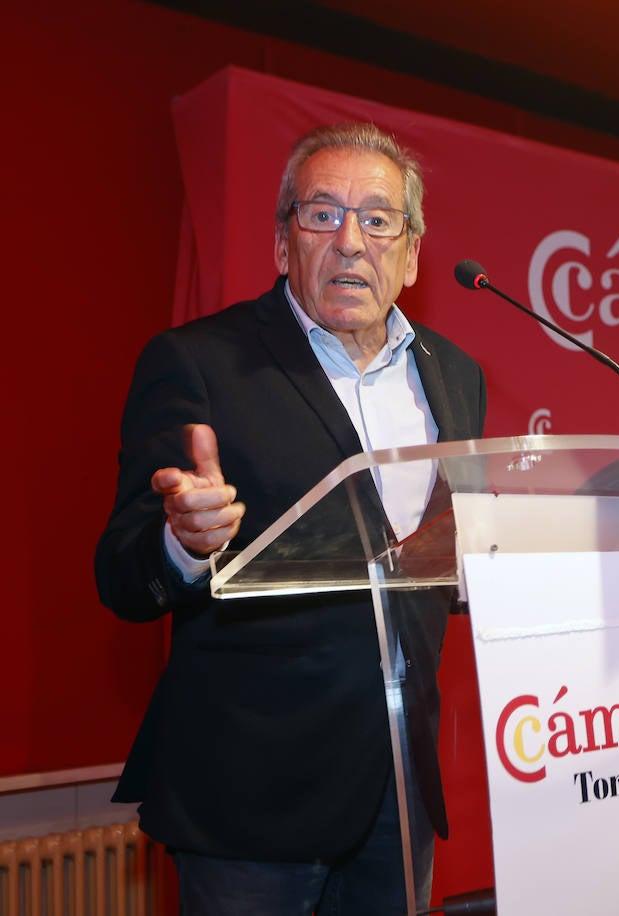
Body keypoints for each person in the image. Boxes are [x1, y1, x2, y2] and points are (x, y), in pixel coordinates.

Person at [94, 122, 486, 915]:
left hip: (397, 791)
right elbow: (122, 575)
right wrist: (182, 541)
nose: (350, 241)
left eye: (378, 220)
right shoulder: (200, 361)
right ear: (283, 244)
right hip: (248, 799)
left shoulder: (456, 376)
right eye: (321, 214)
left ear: (410, 255)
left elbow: (430, 561)